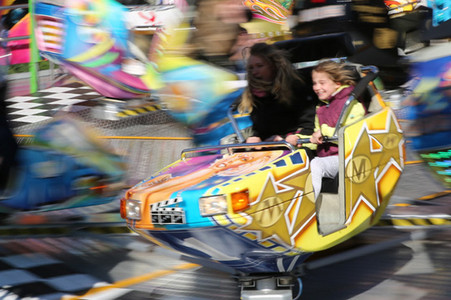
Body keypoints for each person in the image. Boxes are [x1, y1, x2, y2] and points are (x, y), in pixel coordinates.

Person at [303, 60, 365, 201]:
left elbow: (353, 135)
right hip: (328, 157)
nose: (317, 87)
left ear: (337, 83)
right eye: (314, 83)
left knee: (316, 164)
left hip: (347, 157)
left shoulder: (351, 104)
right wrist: (299, 141)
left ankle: (308, 207)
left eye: (322, 83)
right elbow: (317, 138)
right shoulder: (321, 108)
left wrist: (324, 131)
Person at [237, 43, 317, 147]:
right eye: (251, 68)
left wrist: (285, 138)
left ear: (273, 66)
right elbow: (261, 130)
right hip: (270, 146)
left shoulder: (297, 88)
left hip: (297, 144)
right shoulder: (255, 95)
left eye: (259, 66)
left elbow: (309, 125)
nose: (254, 72)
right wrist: (254, 138)